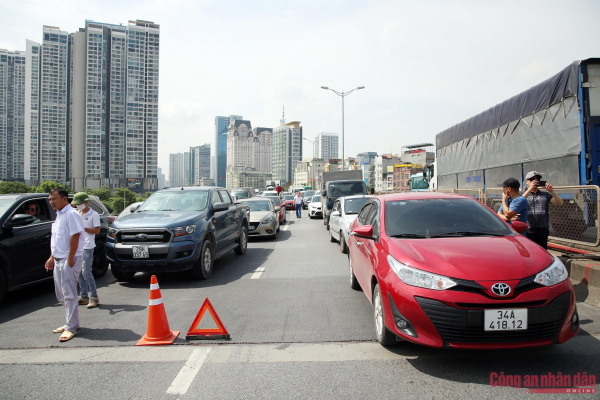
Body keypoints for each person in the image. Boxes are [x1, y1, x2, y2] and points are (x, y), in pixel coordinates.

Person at [45, 188, 85, 342]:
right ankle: (71, 321)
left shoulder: (71, 214)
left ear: (64, 199)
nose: (51, 202)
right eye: (50, 199)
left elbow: (75, 235)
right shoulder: (59, 215)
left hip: (69, 259)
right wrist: (51, 257)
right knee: (61, 294)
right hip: (58, 259)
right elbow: (57, 239)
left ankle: (71, 327)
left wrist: (70, 257)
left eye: (54, 199)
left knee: (69, 294)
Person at [71, 192, 101, 308]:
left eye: (80, 204)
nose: (78, 206)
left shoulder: (94, 214)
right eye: (76, 204)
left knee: (86, 272)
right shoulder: (77, 214)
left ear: (86, 203)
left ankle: (94, 296)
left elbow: (97, 231)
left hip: (88, 246)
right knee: (78, 272)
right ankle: (84, 296)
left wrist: (83, 228)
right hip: (78, 247)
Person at [522, 171, 563, 249]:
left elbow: (559, 203)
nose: (535, 181)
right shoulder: (522, 194)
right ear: (527, 181)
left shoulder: (545, 195)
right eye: (532, 180)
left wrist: (551, 191)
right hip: (527, 228)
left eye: (537, 179)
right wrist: (529, 189)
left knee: (542, 250)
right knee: (529, 250)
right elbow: (519, 202)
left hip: (542, 228)